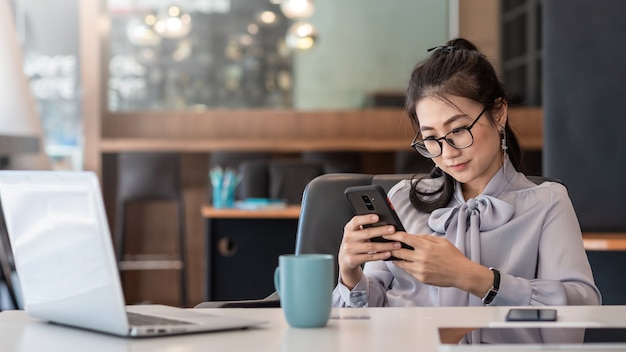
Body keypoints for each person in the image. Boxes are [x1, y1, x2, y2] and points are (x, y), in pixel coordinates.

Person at [332, 38, 601, 314]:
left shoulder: (547, 203)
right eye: (431, 138)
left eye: (459, 129)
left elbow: (583, 308)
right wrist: (351, 274)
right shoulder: (402, 199)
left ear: (499, 113)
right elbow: (363, 318)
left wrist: (472, 278)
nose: (447, 152)